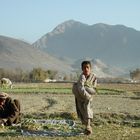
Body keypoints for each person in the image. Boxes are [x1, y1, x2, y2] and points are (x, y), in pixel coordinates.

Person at [72, 60, 97, 135]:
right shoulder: (82, 77)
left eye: (87, 67)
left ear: (90, 68)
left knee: (87, 108)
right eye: (84, 68)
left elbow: (94, 88)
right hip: (79, 96)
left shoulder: (93, 77)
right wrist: (88, 95)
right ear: (82, 69)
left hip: (88, 96)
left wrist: (89, 96)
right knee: (81, 110)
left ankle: (88, 126)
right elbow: (80, 88)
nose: (86, 69)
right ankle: (87, 127)